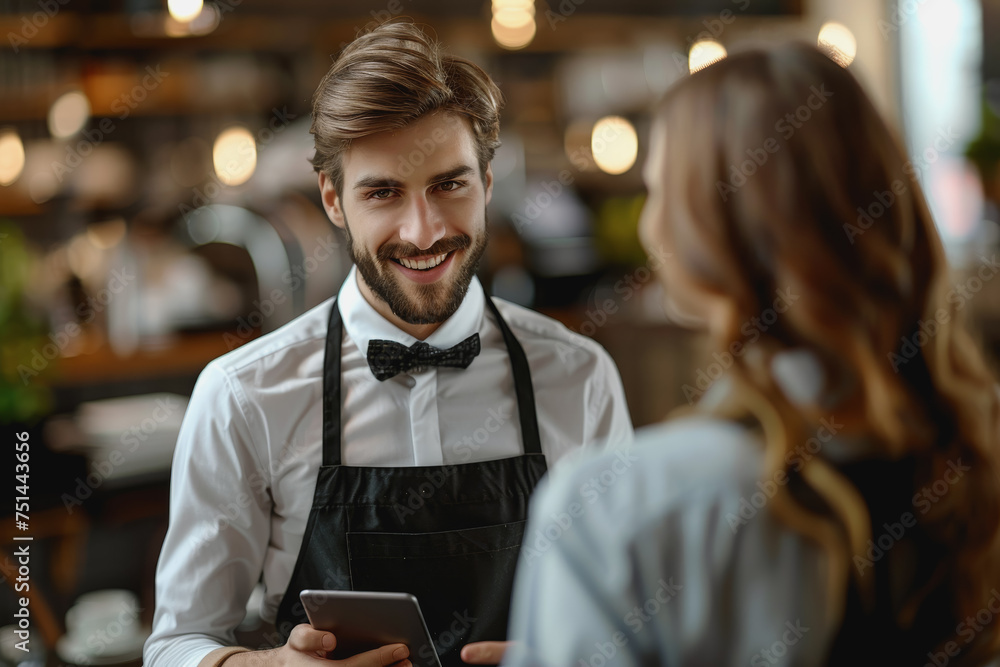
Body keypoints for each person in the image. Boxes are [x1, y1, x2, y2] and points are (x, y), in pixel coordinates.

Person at [143, 21, 633, 667]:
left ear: (487, 183)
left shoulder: (580, 376)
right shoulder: (242, 395)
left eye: (448, 185)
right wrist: (268, 665)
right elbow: (176, 644)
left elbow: (637, 619)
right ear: (334, 200)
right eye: (383, 193)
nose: (423, 230)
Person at [502, 42, 1000, 667]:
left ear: (702, 232)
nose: (651, 224)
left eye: (658, 191)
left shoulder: (617, 508)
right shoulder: (974, 453)